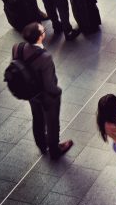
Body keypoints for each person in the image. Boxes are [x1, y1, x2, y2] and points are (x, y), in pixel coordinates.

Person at [14, 23, 74, 160]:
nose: (44, 31)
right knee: (52, 123)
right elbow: (49, 84)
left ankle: (41, 144)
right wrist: (57, 92)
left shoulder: (18, 47)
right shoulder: (44, 57)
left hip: (30, 93)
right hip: (46, 97)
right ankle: (54, 150)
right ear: (41, 37)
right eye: (43, 31)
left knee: (37, 117)